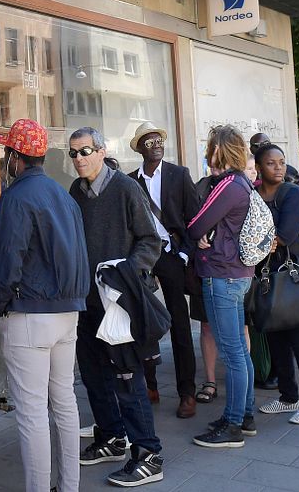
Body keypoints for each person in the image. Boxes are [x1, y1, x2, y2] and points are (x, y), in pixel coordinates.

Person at [0, 118, 89, 492]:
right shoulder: (63, 195)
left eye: (7, 153)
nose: (5, 160)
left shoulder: (15, 197)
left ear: (15, 156)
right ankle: (69, 486)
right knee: (64, 402)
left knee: (32, 413)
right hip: (67, 311)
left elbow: (6, 261)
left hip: (29, 312)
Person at [67, 127, 165, 487]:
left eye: (85, 151)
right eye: (73, 153)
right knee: (93, 373)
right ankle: (111, 437)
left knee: (127, 377)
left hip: (119, 301)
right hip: (85, 300)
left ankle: (148, 454)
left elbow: (151, 240)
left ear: (101, 151)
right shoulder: (75, 191)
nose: (79, 159)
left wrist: (124, 273)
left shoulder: (125, 188)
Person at [187, 125, 258, 448]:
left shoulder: (228, 184)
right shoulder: (242, 182)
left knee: (232, 354)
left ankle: (232, 426)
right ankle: (244, 415)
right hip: (236, 273)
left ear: (219, 150)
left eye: (210, 147)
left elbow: (195, 225)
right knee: (239, 351)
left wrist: (201, 231)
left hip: (222, 275)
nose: (207, 153)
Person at [128, 120, 202, 420]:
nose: (156, 146)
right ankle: (150, 386)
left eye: (159, 140)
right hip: (144, 257)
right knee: (142, 321)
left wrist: (185, 253)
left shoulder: (178, 174)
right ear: (140, 148)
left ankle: (187, 392)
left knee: (180, 325)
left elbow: (195, 219)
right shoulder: (130, 181)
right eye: (150, 142)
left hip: (172, 255)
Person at [251, 144, 299, 425]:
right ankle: (288, 396)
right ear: (259, 167)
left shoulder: (292, 193)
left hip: (295, 273)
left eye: (281, 162)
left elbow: (285, 234)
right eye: (271, 163)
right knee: (275, 336)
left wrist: (256, 243)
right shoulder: (252, 194)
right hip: (266, 274)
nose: (279, 167)